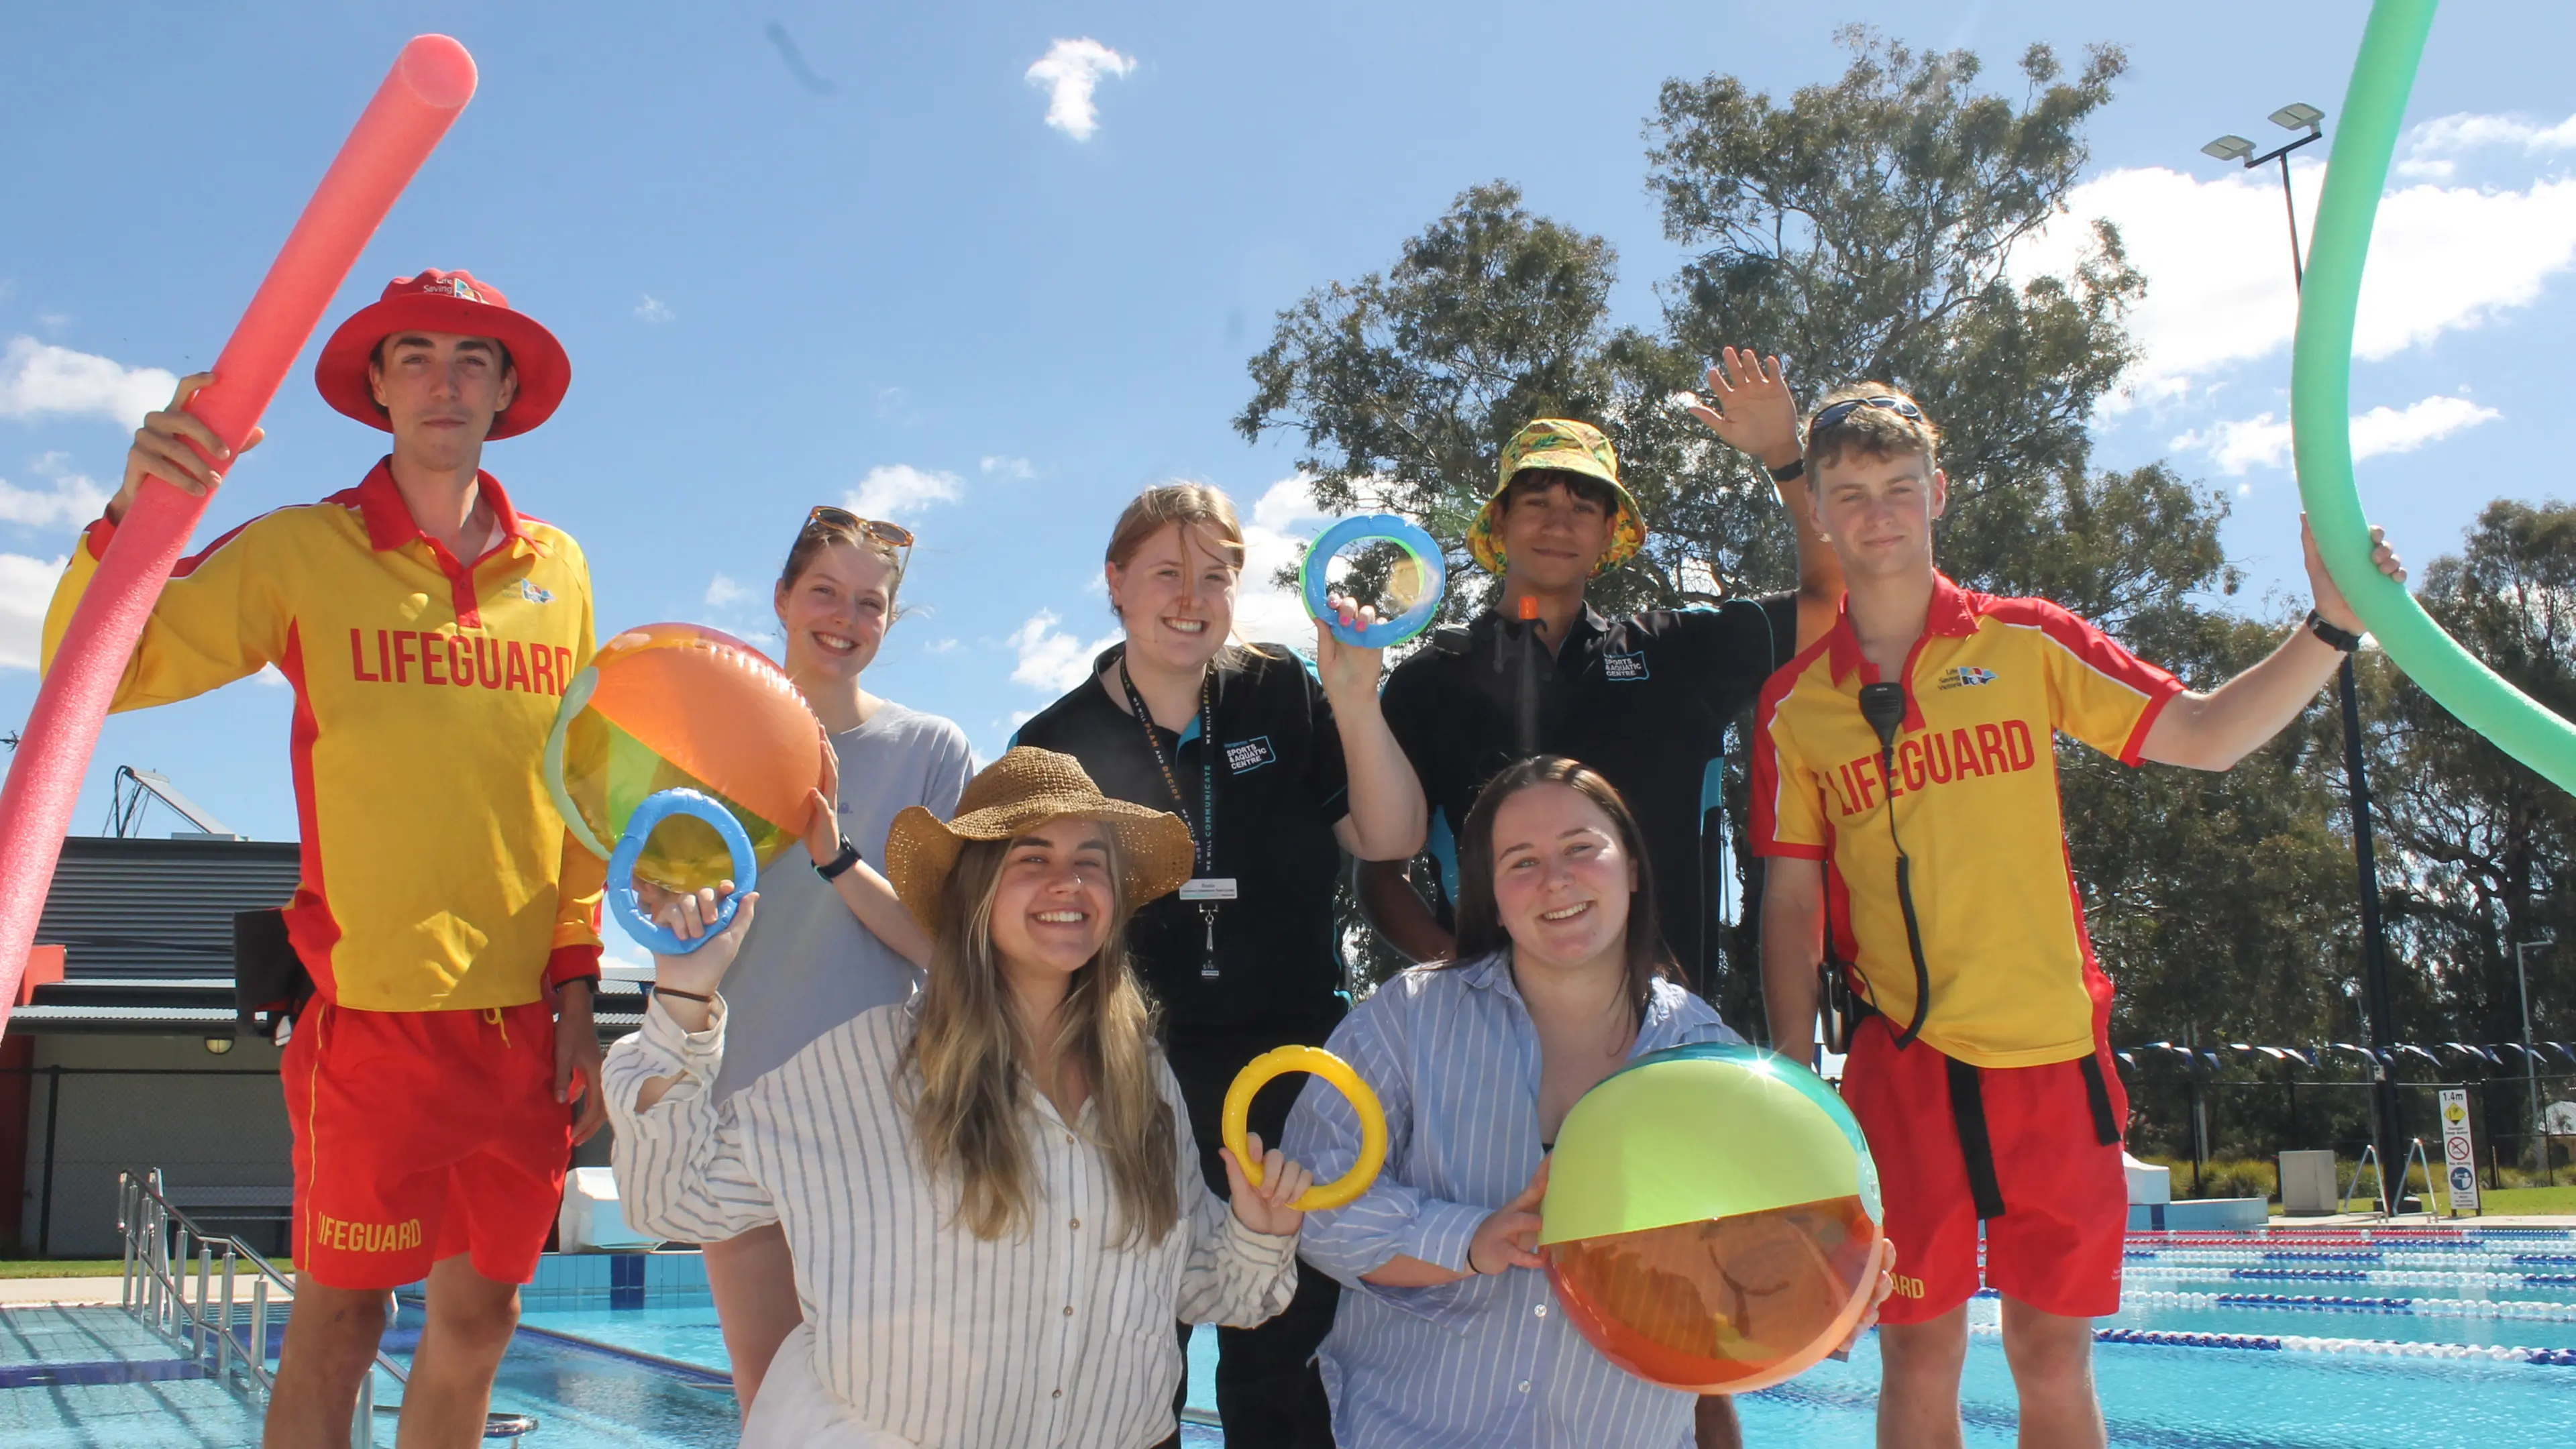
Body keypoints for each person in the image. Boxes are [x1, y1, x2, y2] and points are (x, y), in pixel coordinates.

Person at [1750, 385, 2407, 1449]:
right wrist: (1792, 1073)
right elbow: (1788, 897)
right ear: (1818, 510)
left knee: (2050, 1351)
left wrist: (2332, 628)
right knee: (1916, 1348)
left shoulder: (2026, 643)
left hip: (2052, 1061)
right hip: (1901, 1069)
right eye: (1851, 494)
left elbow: (2202, 735)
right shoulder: (1796, 706)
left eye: (1900, 489)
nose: (1878, 514)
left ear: (1939, 496)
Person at [41, 270, 602, 1447]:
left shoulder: (562, 570)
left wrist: (578, 981)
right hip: (375, 1018)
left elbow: (577, 793)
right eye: (416, 357)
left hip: (522, 1029)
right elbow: (103, 670)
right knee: (339, 1329)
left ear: (505, 391)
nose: (444, 381)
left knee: (483, 1320)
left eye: (471, 358)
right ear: (380, 390)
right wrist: (132, 512)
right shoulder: (308, 550)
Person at [606, 747, 1317, 1449]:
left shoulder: (1145, 1082)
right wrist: (684, 994)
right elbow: (672, 1198)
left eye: (1090, 863)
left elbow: (1202, 1289)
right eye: (1032, 858)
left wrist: (1259, 1230)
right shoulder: (863, 1070)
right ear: (974, 891)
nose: (1067, 882)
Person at [1287, 757, 1895, 1448]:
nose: (1557, 879)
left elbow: (1749, 1278)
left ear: (1631, 867)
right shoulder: (1407, 1021)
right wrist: (1468, 1240)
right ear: (1491, 893)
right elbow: (1313, 1201)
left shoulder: (1705, 1056)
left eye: (1582, 848)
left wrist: (1835, 1294)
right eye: (1522, 861)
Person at [1009, 482, 1426, 1444]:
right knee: (1127, 1345)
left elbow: (1388, 835)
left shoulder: (1280, 689)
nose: (1191, 596)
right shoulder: (1053, 742)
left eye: (1215, 575)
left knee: (1287, 1350)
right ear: (1115, 584)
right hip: (1128, 1077)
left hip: (1295, 1072)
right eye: (1166, 572)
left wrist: (1357, 700)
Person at [1361, 350, 1840, 1014]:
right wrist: (1469, 977)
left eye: (1584, 506)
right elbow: (1380, 874)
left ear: (1610, 531)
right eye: (1537, 502)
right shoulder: (1427, 682)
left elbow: (1828, 601)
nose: (1559, 523)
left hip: (1663, 1044)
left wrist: (1786, 456)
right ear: (1499, 523)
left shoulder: (1677, 651)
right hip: (1491, 1048)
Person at [688, 506, 975, 1417]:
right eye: (824, 592)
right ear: (780, 597)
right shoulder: (701, 739)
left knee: (885, 1399)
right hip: (733, 1113)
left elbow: (948, 948)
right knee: (764, 1390)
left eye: (870, 604)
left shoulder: (932, 751)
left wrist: (836, 856)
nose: (845, 620)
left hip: (879, 1121)